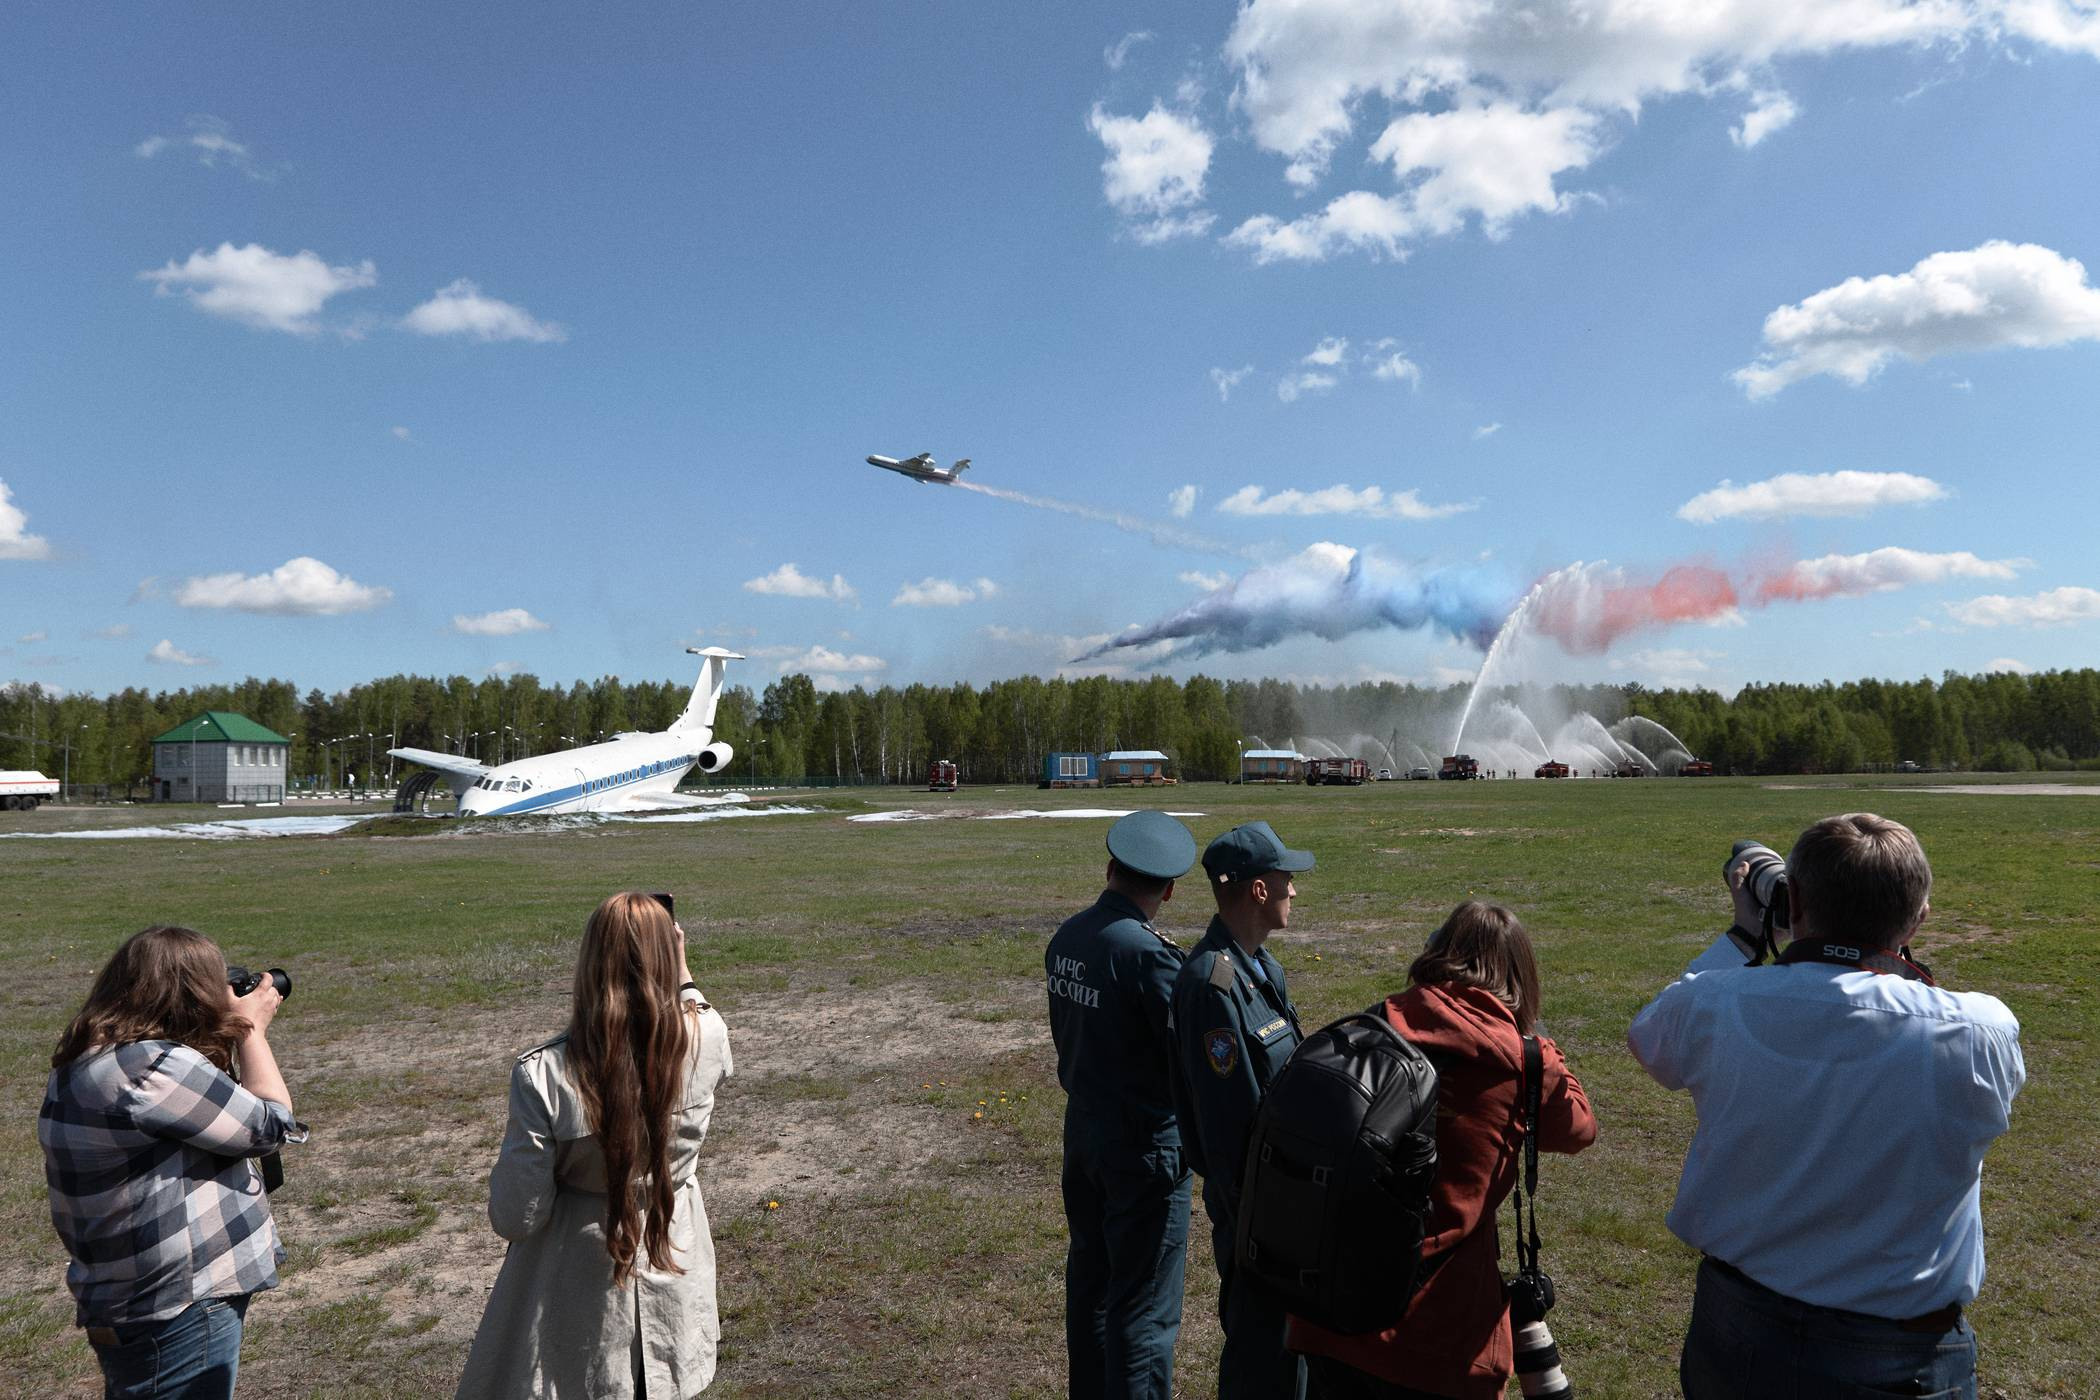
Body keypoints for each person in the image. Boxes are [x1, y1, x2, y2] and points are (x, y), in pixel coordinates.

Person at [1628, 813, 2026, 1399]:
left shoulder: (1717, 1003)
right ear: (1920, 917)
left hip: (1740, 1323)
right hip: (1901, 1350)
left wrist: (1745, 936)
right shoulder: (1978, 1031)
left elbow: (1650, 1036)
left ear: (1794, 905)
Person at [1288, 902, 1597, 1399]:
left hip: (1336, 1310)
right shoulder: (1523, 1063)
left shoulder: (1377, 1024)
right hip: (1441, 1336)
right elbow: (1580, 1130)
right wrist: (1540, 1046)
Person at [457, 892, 734, 1400]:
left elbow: (518, 1217)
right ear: (670, 958)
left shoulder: (544, 1073)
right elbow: (695, 1007)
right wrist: (681, 967)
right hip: (673, 1241)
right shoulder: (708, 1036)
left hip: (580, 1273)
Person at [40, 925, 304, 1400]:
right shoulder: (153, 1070)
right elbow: (271, 1126)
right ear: (193, 993)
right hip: (180, 1301)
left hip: (126, 1293)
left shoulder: (87, 1060)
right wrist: (248, 1031)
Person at [1045, 809, 1200, 1400]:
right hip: (1142, 1145)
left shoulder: (1068, 936)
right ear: (1167, 888)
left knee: (1091, 1286)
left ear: (1110, 868)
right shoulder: (1149, 956)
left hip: (1084, 1130)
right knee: (1145, 1310)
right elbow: (1183, 1055)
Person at [1172, 820, 1315, 1400]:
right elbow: (1227, 1131)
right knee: (1262, 1363)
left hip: (1288, 1209)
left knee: (1295, 1360)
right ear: (1259, 890)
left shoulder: (1262, 970)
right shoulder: (1212, 985)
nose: (1294, 891)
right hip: (1257, 1219)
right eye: (1286, 879)